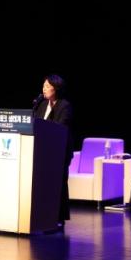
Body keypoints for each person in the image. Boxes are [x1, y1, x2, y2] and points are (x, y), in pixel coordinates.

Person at [33, 74, 73, 230]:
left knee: (59, 184)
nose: (44, 89)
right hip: (42, 152)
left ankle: (59, 218)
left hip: (59, 151)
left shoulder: (65, 106)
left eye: (47, 86)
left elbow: (61, 127)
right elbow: (35, 123)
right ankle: (44, 215)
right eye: (43, 86)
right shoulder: (42, 105)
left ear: (56, 88)